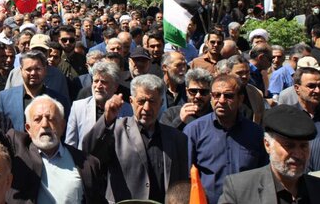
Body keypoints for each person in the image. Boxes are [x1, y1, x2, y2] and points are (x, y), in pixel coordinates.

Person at [0, 53, 106, 203]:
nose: (45, 124)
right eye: (38, 119)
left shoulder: (87, 163)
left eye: (51, 118)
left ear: (63, 125)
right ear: (28, 127)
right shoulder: (17, 150)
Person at [83, 74, 188, 203]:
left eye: (152, 101)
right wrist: (106, 119)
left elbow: (182, 184)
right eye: (141, 101)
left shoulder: (177, 138)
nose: (146, 108)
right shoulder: (115, 130)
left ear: (161, 103)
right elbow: (89, 152)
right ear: (131, 102)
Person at [184, 74, 268, 204]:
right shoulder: (194, 131)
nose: (221, 101)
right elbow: (187, 176)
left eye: (228, 96)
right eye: (216, 95)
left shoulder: (255, 133)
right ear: (211, 98)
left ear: (240, 99)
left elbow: (264, 174)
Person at [219, 104, 320, 203]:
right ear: (267, 145)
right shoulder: (239, 189)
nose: (297, 155)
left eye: (303, 146)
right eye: (289, 146)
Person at [0, 51, 70, 132]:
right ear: (21, 70)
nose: (33, 73)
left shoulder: (59, 100)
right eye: (28, 69)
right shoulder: (4, 99)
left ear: (45, 70)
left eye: (37, 69)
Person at [66, 61, 131, 149]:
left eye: (104, 82)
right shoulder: (78, 107)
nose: (98, 86)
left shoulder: (128, 110)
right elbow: (70, 144)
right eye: (96, 81)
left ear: (115, 86)